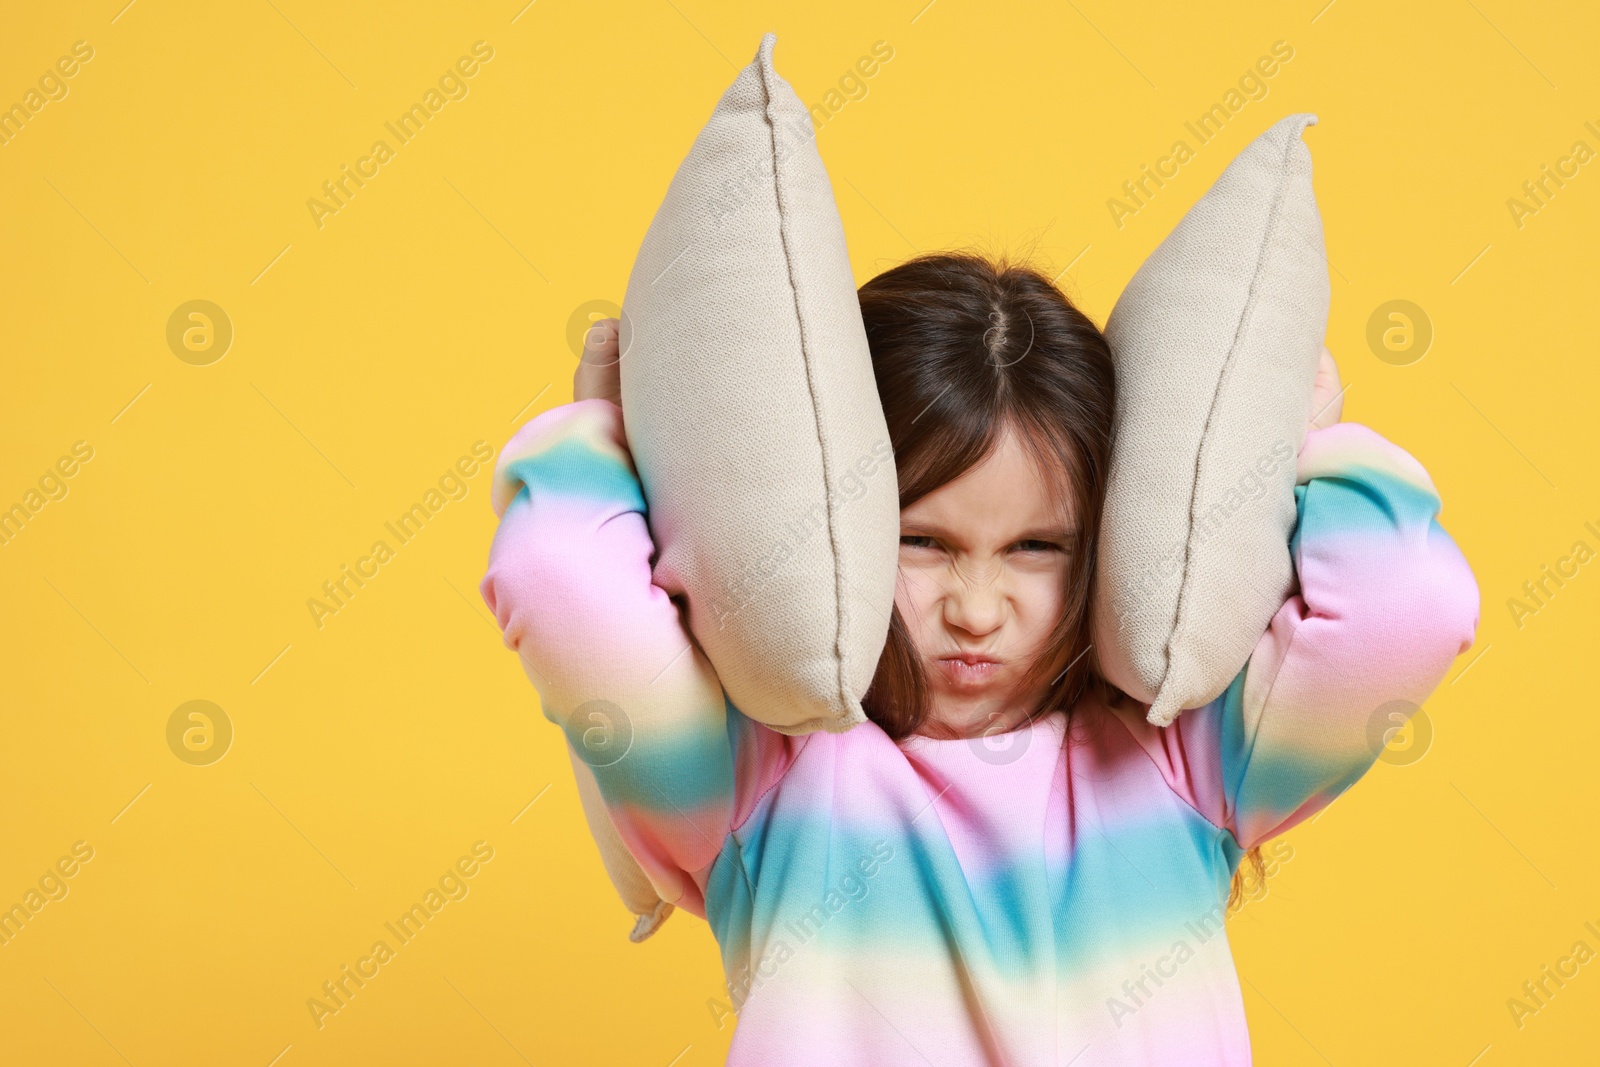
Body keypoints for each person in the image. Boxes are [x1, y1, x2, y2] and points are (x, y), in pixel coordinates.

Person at [479, 250, 1480, 1065]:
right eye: (924, 540)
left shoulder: (1186, 758)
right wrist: (610, 436)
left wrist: (1308, 442)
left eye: (1037, 548)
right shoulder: (765, 782)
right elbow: (566, 593)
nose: (975, 607)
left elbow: (1408, 608)